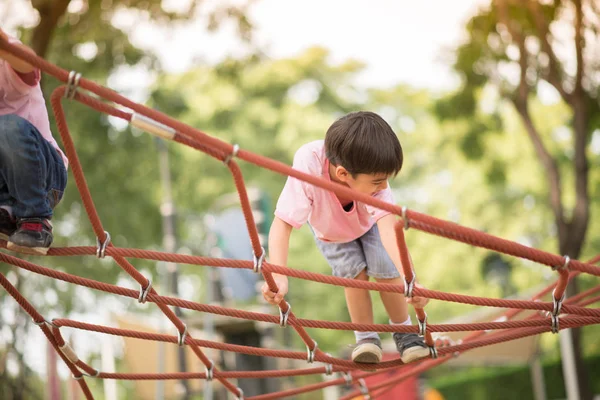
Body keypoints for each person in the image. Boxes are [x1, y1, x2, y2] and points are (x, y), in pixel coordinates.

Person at [262, 111, 429, 364]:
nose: (384, 187)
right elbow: (282, 224)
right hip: (331, 232)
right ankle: (366, 339)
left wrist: (411, 280)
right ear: (342, 174)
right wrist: (279, 276)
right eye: (378, 181)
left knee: (386, 267)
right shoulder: (309, 163)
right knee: (353, 275)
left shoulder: (374, 179)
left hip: (370, 224)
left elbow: (388, 230)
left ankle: (405, 333)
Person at [0, 28, 68, 255]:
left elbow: (27, 63)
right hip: (6, 185)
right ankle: (7, 212)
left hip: (44, 178)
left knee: (6, 126)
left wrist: (3, 44)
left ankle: (36, 219)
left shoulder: (8, 65)